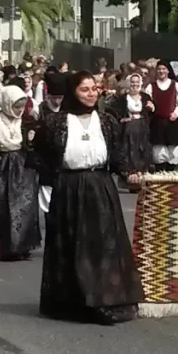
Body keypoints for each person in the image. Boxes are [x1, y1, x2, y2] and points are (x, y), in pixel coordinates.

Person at [36, 70, 144, 325]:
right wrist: (56, 178)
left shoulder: (106, 121)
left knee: (102, 245)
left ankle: (104, 300)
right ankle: (75, 301)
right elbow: (39, 154)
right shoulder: (55, 122)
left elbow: (117, 153)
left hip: (99, 187)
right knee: (72, 245)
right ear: (73, 92)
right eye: (84, 89)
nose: (91, 94)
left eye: (94, 89)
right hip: (68, 188)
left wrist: (129, 172)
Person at [0, 85, 40, 261]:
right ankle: (4, 247)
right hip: (1, 170)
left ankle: (23, 246)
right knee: (3, 207)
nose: (19, 110)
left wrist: (32, 141)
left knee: (24, 208)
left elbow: (38, 144)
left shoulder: (28, 121)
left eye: (21, 106)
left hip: (23, 169)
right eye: (15, 106)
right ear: (6, 104)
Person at [108, 72, 155, 180]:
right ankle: (130, 172)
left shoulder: (146, 97)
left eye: (137, 82)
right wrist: (122, 119)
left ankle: (142, 171)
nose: (135, 84)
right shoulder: (123, 98)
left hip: (142, 126)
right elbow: (115, 112)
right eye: (133, 82)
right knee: (129, 148)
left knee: (142, 148)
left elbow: (152, 112)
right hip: (128, 127)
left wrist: (152, 108)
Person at [144, 60, 178, 171]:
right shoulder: (151, 87)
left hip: (172, 123)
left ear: (168, 70)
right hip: (157, 124)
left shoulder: (175, 85)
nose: (161, 71)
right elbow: (147, 101)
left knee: (173, 153)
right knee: (159, 153)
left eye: (163, 69)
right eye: (159, 69)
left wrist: (176, 113)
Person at [34, 71, 66, 212]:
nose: (57, 101)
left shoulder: (67, 110)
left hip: (63, 157)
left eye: (60, 98)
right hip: (45, 158)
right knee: (47, 192)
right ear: (48, 96)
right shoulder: (39, 109)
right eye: (55, 98)